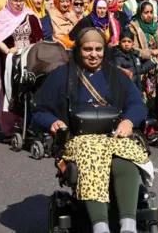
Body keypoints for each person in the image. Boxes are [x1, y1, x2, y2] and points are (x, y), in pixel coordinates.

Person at [32, 27, 151, 233]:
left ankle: (128, 225)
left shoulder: (117, 76)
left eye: (98, 49)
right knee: (92, 157)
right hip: (78, 139)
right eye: (88, 49)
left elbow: (138, 105)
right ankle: (100, 227)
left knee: (127, 158)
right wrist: (53, 122)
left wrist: (129, 122)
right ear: (78, 49)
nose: (94, 54)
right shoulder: (61, 76)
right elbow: (39, 110)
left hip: (112, 137)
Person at [0, 0, 43, 137]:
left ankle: (26, 124)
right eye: (15, 1)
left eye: (21, 1)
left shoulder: (30, 16)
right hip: (9, 61)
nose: (18, 3)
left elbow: (38, 38)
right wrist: (8, 51)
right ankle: (8, 129)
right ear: (9, 1)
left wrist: (26, 49)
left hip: (29, 59)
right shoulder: (3, 17)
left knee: (28, 91)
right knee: (9, 91)